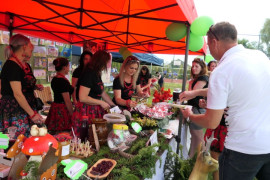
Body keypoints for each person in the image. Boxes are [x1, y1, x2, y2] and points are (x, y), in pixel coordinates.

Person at [180, 22, 270, 180]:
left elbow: (211, 121)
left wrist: (190, 115)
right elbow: (234, 87)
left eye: (208, 44)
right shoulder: (260, 56)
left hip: (242, 148)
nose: (209, 49)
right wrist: (195, 93)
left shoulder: (222, 70)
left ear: (214, 41)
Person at [0, 34, 44, 138]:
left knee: (30, 140)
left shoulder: (25, 64)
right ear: (24, 47)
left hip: (26, 106)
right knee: (17, 142)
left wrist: (34, 86)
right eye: (30, 48)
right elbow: (18, 93)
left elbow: (22, 84)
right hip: (15, 109)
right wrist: (32, 114)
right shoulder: (12, 65)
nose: (31, 51)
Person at [72, 50, 115, 136]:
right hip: (86, 111)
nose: (106, 65)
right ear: (100, 62)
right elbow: (83, 97)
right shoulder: (89, 73)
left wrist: (113, 105)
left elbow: (102, 92)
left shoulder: (96, 73)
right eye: (106, 63)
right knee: (87, 136)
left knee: (95, 136)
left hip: (94, 109)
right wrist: (101, 102)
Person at [187, 58, 209, 158]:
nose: (193, 68)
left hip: (198, 109)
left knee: (199, 137)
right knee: (194, 136)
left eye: (196, 66)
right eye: (192, 66)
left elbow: (192, 94)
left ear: (202, 68)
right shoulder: (196, 79)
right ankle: (190, 157)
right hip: (194, 108)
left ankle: (205, 159)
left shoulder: (203, 78)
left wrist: (190, 84)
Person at [45, 57, 74, 134]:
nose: (69, 68)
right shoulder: (62, 81)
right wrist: (72, 114)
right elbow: (67, 101)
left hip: (55, 107)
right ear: (64, 68)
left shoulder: (55, 79)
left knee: (56, 133)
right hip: (62, 109)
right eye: (68, 66)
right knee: (63, 133)